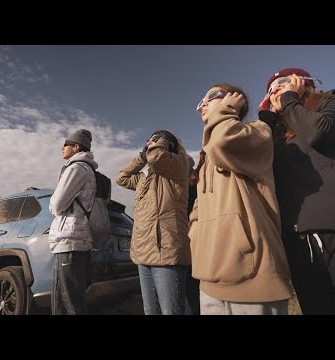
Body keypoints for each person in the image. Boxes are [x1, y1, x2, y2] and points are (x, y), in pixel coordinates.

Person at [258, 67, 335, 314]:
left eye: (283, 82)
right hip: (299, 242)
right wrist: (268, 119)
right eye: (271, 90)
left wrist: (289, 100)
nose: (276, 89)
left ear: (304, 82)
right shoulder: (278, 132)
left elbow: (319, 132)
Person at [189, 83, 292, 315]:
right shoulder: (206, 154)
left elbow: (224, 141)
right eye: (200, 101)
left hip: (253, 278)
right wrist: (195, 234)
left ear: (235, 99)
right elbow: (199, 205)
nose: (202, 105)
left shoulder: (257, 131)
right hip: (209, 279)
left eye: (210, 97)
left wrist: (226, 110)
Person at [116, 130, 191, 315]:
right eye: (150, 140)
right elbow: (121, 178)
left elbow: (158, 158)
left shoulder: (180, 166)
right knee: (150, 310)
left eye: (156, 140)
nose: (151, 142)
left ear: (168, 145)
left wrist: (161, 138)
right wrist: (141, 157)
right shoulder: (143, 177)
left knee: (170, 311)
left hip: (165, 251)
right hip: (143, 251)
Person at [48, 129, 97, 315]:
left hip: (69, 240)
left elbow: (58, 204)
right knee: (73, 299)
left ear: (76, 147)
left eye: (66, 144)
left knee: (65, 302)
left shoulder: (76, 168)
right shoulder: (87, 168)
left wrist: (51, 205)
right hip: (78, 238)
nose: (62, 148)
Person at [185, 154, 200, 315]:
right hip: (193, 240)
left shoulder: (187, 187)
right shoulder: (197, 184)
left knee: (191, 287)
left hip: (190, 240)